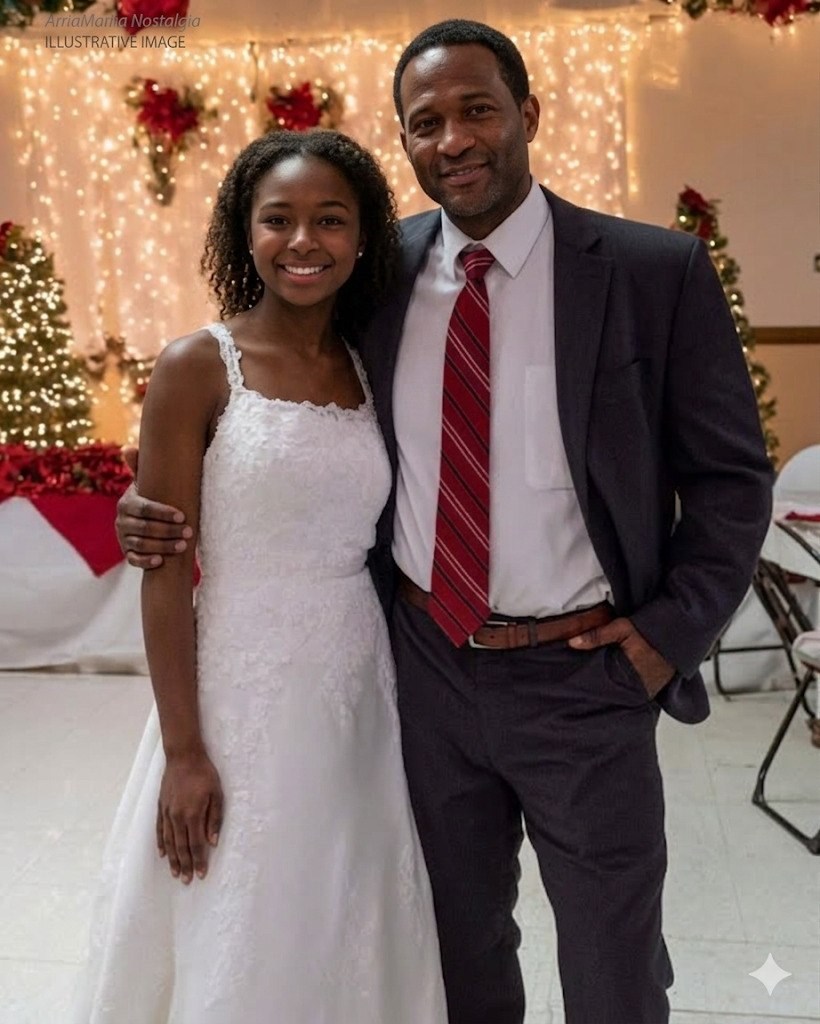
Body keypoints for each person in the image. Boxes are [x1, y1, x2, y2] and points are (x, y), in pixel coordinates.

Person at [116, 20, 774, 1024]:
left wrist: (666, 637)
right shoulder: (377, 277)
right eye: (426, 123)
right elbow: (283, 417)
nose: (454, 140)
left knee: (613, 960)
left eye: (478, 111)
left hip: (586, 674)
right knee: (455, 949)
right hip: (421, 670)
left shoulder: (652, 272)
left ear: (528, 114)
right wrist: (155, 503)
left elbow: (731, 480)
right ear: (405, 142)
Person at [73, 129, 448, 1023]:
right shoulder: (197, 367)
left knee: (343, 905)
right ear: (246, 233)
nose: (302, 241)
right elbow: (165, 571)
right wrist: (184, 752)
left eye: (330, 219)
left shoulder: (373, 363)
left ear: (363, 237)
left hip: (357, 688)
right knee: (242, 909)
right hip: (238, 690)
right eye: (278, 219)